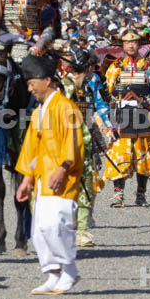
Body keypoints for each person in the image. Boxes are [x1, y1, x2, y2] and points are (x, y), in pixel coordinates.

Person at [15, 54, 84, 295]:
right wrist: (26, 179)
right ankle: (53, 274)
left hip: (62, 178)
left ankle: (70, 270)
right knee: (40, 230)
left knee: (57, 225)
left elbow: (74, 142)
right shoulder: (38, 112)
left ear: (47, 80)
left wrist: (63, 167)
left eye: (32, 83)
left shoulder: (66, 107)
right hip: (43, 178)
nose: (30, 89)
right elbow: (31, 149)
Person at [102, 29, 150, 208]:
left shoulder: (149, 66)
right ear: (122, 45)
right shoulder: (114, 67)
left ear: (139, 44)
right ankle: (118, 194)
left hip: (143, 114)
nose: (131, 45)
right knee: (119, 154)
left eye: (135, 42)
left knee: (142, 156)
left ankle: (141, 194)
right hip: (120, 115)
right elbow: (106, 94)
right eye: (127, 42)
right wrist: (106, 121)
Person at [57, 44, 107, 247]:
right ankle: (66, 229)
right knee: (67, 188)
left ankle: (82, 230)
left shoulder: (85, 88)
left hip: (86, 146)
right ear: (87, 68)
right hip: (67, 146)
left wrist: (99, 142)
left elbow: (89, 118)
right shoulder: (63, 88)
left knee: (88, 188)